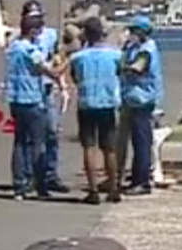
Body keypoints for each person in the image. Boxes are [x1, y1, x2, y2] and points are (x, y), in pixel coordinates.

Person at [7, 14, 64, 201]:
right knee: (37, 144)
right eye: (39, 31)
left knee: (20, 142)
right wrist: (67, 62)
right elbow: (49, 71)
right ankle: (40, 185)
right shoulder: (30, 49)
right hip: (31, 99)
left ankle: (19, 184)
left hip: (15, 99)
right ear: (32, 31)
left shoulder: (12, 48)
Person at [69, 17, 122, 205]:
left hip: (86, 103)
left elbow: (75, 77)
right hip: (107, 104)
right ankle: (114, 188)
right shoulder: (115, 55)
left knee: (89, 147)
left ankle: (93, 190)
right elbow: (120, 73)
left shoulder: (78, 57)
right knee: (109, 148)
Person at [21, 0, 70, 194]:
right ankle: (29, 175)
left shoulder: (50, 35)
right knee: (29, 137)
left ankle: (50, 174)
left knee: (51, 131)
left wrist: (63, 85)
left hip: (47, 88)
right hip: (30, 91)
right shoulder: (20, 40)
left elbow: (57, 57)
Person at [117, 15, 163, 195]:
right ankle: (136, 177)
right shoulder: (134, 47)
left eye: (134, 31)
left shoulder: (146, 49)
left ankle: (142, 181)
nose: (131, 34)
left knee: (142, 142)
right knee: (137, 141)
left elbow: (138, 68)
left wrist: (121, 65)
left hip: (142, 100)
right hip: (132, 98)